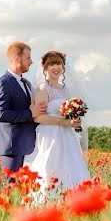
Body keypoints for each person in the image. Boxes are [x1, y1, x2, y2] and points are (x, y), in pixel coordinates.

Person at [27, 50, 90, 200]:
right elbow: (38, 118)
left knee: (71, 165)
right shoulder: (43, 89)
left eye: (59, 64)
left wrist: (73, 121)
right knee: (51, 165)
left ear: (63, 67)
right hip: (50, 135)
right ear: (45, 67)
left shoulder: (65, 89)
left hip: (67, 136)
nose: (56, 67)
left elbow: (69, 113)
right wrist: (64, 122)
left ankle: (73, 199)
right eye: (52, 64)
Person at [0, 42, 46, 182]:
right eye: (28, 57)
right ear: (17, 59)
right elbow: (1, 114)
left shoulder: (27, 83)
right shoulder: (2, 83)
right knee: (10, 190)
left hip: (30, 147)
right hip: (13, 148)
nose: (31, 61)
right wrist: (29, 113)